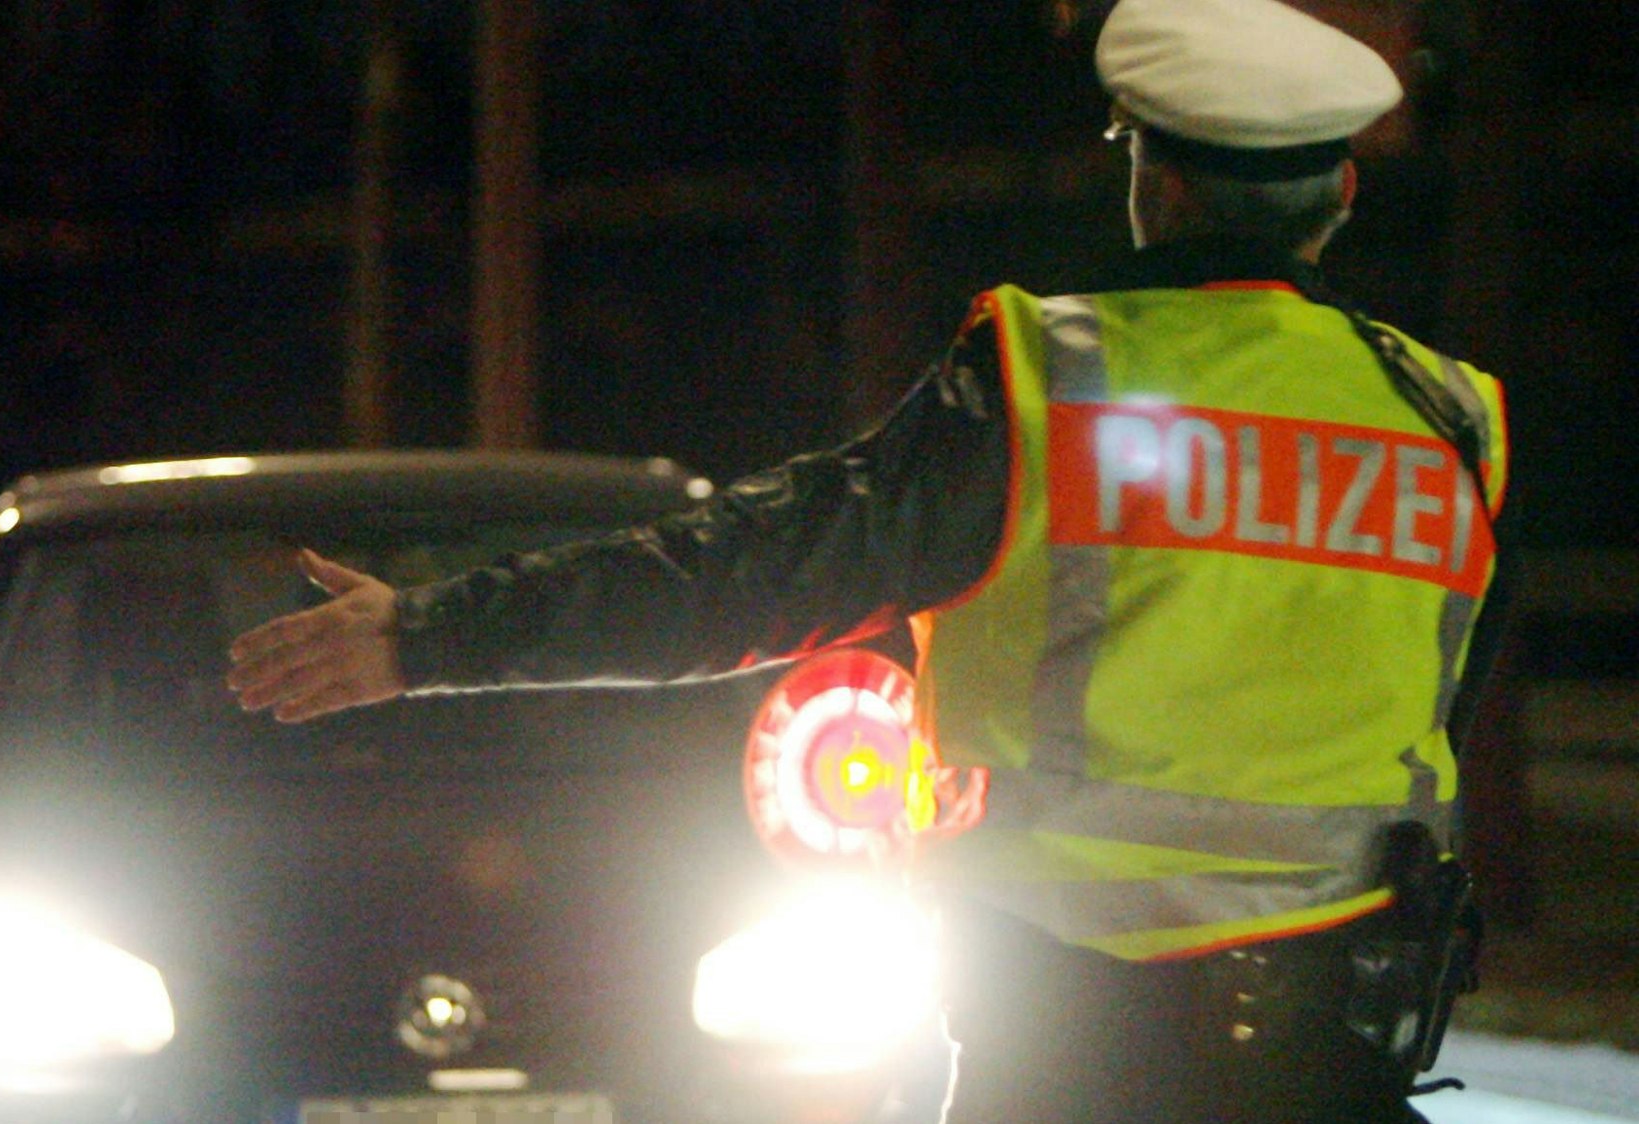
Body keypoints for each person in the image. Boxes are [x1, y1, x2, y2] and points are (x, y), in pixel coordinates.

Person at [228, 0, 1512, 1119]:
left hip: (1074, 1054)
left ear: (1155, 186)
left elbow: (750, 567)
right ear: (1340, 194)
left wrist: (427, 636)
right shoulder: (1450, 420)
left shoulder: (1046, 385)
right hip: (1336, 1043)